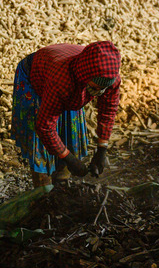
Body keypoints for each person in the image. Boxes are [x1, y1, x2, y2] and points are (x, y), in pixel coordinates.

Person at [10, 41, 121, 187]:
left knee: (70, 131)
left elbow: (108, 109)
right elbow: (44, 127)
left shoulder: (109, 77)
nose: (99, 92)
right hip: (35, 75)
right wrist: (69, 159)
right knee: (40, 142)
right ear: (85, 78)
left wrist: (102, 149)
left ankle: (62, 180)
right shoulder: (62, 80)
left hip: (65, 74)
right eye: (95, 87)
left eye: (103, 89)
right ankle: (43, 187)